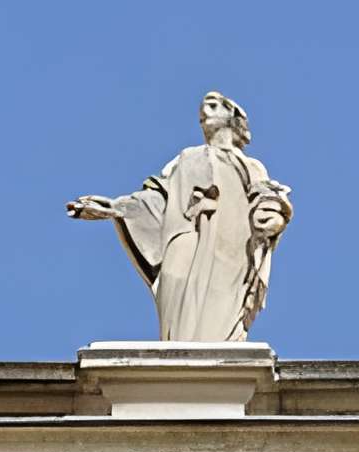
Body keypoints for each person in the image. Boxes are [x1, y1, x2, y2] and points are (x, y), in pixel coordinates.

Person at [67, 91, 292, 341]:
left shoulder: (250, 165)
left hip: (231, 245)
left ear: (235, 117)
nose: (205, 111)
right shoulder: (185, 159)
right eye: (204, 107)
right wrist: (115, 208)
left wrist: (273, 215)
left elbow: (266, 200)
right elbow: (156, 200)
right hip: (183, 243)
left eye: (214, 105)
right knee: (178, 305)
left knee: (220, 308)